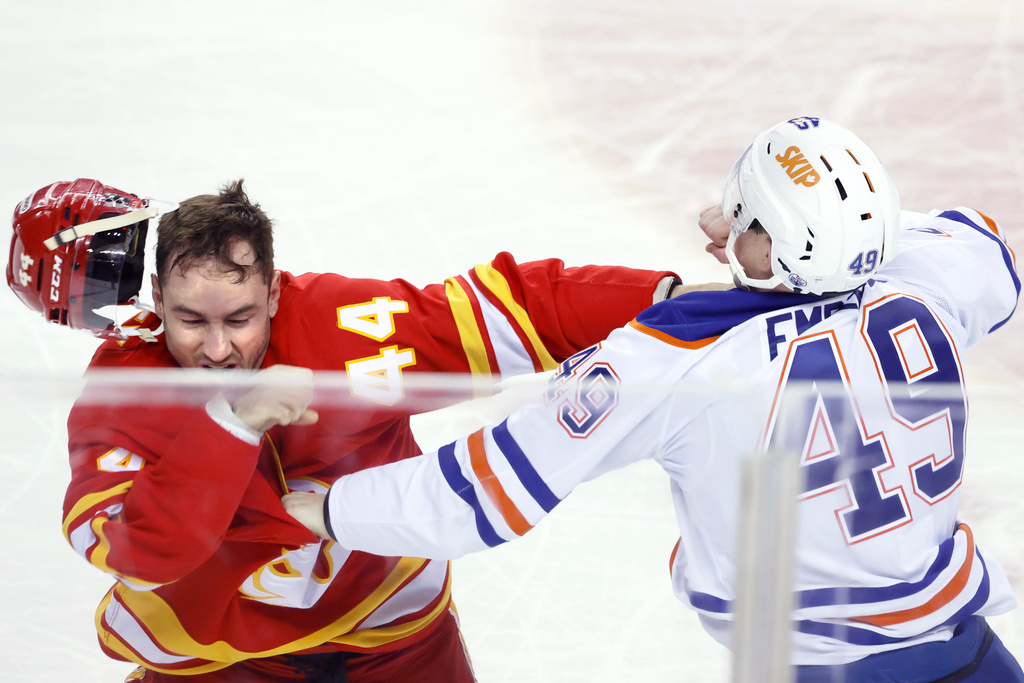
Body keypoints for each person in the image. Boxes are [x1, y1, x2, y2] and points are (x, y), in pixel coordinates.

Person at [282, 117, 1024, 682]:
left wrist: (329, 507)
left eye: (747, 212)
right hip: (964, 646)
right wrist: (805, 239)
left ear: (780, 240)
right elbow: (985, 247)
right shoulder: (931, 282)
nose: (726, 217)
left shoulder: (676, 359)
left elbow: (482, 496)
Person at [6, 178, 685, 681]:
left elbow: (510, 310)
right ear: (158, 301)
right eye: (192, 321)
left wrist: (677, 307)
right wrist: (231, 424)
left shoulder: (348, 326)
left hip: (393, 635)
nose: (216, 348)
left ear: (274, 292)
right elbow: (139, 549)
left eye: (239, 318)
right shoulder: (127, 391)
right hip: (214, 658)